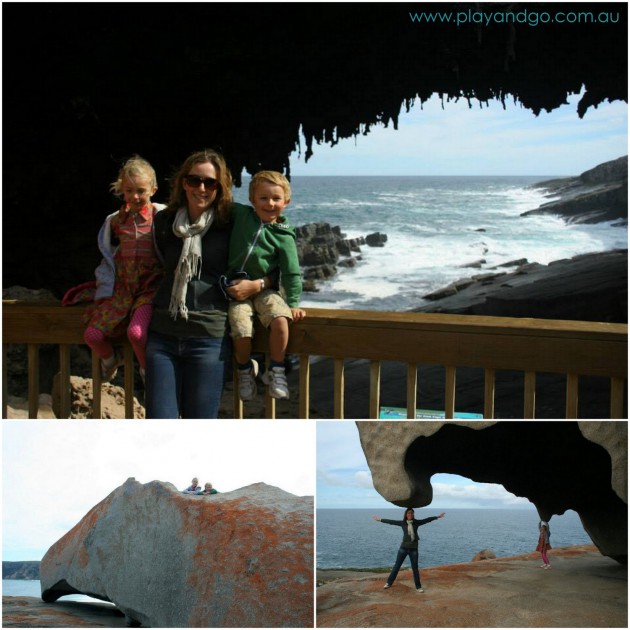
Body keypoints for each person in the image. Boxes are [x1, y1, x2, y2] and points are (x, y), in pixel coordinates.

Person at [145, 149, 272, 419]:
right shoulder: (165, 221)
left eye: (210, 182)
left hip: (208, 338)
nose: (201, 188)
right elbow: (155, 265)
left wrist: (258, 285)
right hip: (162, 335)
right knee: (158, 423)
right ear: (183, 182)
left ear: (220, 187)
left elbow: (275, 259)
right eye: (194, 180)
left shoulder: (232, 221)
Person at [224, 170, 305, 401]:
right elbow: (220, 200)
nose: (270, 204)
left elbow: (291, 272)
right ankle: (244, 370)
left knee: (280, 320)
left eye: (276, 198)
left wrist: (293, 303)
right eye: (263, 198)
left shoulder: (284, 236)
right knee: (241, 330)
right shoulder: (241, 215)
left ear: (286, 202)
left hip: (265, 291)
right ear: (252, 200)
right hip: (235, 291)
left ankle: (276, 370)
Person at [83, 155, 165, 382]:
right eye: (129, 191)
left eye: (141, 190)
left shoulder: (162, 218)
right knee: (92, 335)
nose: (135, 196)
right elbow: (108, 252)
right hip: (122, 289)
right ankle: (111, 360)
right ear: (122, 190)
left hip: (150, 288)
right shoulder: (117, 221)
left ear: (153, 189)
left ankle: (148, 373)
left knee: (136, 333)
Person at [372, 508, 446, 592]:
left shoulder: (416, 523)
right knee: (397, 566)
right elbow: (391, 522)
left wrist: (437, 517)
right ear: (406, 515)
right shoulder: (402, 523)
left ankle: (418, 587)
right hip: (403, 548)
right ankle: (389, 583)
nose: (410, 515)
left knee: (415, 568)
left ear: (413, 515)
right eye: (408, 514)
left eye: (411, 514)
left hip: (414, 549)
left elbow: (426, 520)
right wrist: (380, 519)